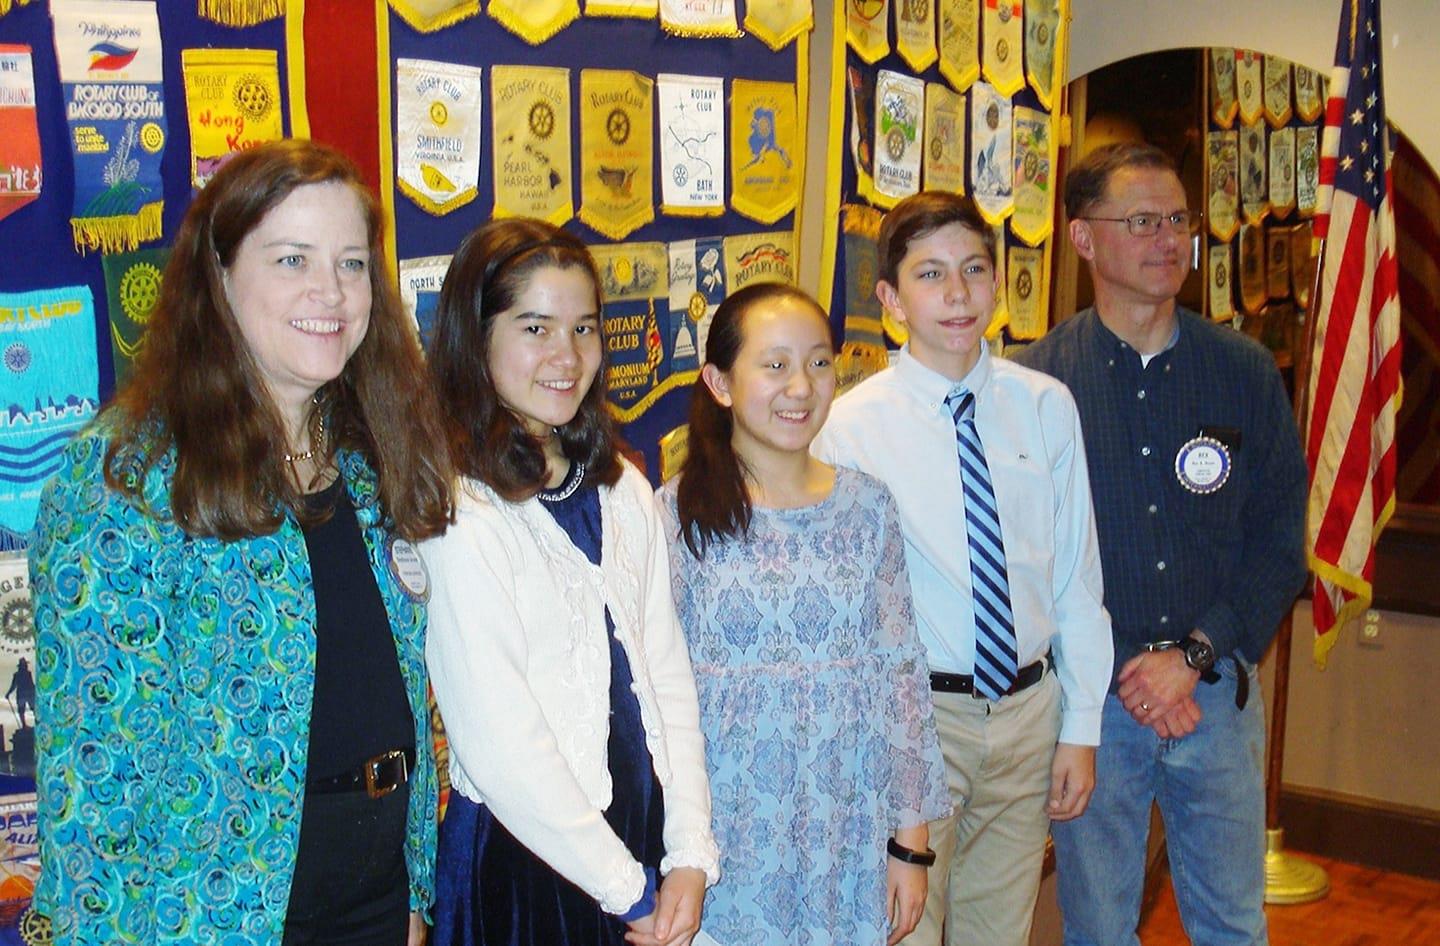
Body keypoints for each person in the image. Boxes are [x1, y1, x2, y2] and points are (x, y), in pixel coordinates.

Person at [28, 139, 454, 945]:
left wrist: (413, 889)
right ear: (218, 275)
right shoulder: (126, 479)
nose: (331, 291)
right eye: (293, 259)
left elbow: (392, 694)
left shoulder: (367, 458)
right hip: (212, 919)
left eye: (352, 263)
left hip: (377, 900)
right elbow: (94, 794)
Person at [1014, 142, 1308, 946]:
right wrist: (1127, 671)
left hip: (1215, 696)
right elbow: (1023, 562)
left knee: (1232, 927)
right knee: (1099, 930)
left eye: (1179, 220)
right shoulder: (1036, 387)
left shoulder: (1244, 372)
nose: (1170, 239)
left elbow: (1281, 541)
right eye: (1143, 221)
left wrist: (1193, 656)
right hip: (1091, 710)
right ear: (1083, 238)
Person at [813, 191, 1114, 946]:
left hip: (1029, 715)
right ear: (890, 300)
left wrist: (1080, 725)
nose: (957, 293)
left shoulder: (1046, 406)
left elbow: (1076, 580)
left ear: (997, 283)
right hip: (919, 721)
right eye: (930, 274)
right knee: (903, 930)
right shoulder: (849, 430)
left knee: (999, 932)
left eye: (974, 270)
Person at [420, 219, 719, 946]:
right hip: (527, 862)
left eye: (584, 328)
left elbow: (665, 674)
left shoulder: (621, 490)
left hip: (639, 842)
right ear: (476, 339)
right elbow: (500, 742)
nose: (567, 356)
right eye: (536, 328)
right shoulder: (460, 508)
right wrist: (627, 891)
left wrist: (688, 851)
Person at [659, 283, 950, 946]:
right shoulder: (676, 515)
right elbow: (655, 694)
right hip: (726, 830)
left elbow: (900, 678)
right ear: (720, 382)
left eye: (819, 363)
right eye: (775, 365)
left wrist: (910, 843)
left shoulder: (868, 507)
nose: (801, 386)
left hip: (845, 824)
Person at [6, 657, 33, 729]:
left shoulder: (21, 674)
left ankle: (25, 725)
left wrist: (8, 693)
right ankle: (24, 725)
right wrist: (8, 693)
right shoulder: (26, 674)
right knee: (23, 710)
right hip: (26, 694)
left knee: (24, 710)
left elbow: (14, 685)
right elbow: (14, 685)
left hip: (25, 694)